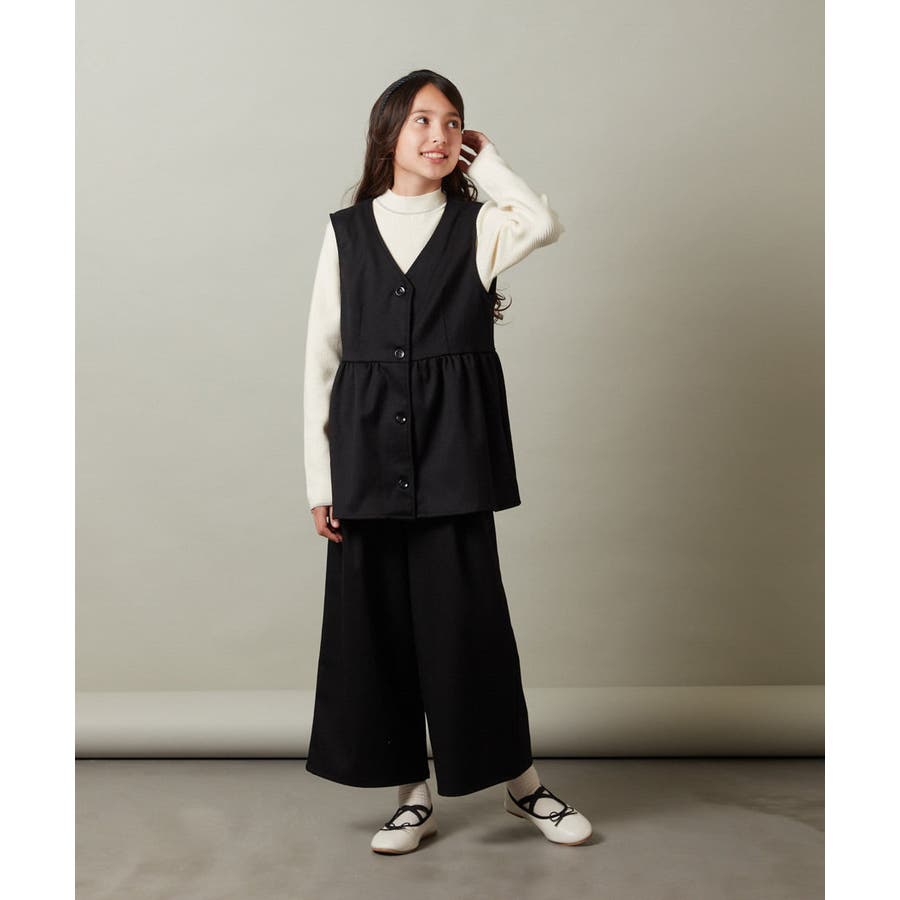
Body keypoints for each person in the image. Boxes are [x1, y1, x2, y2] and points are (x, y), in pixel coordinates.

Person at [303, 69, 592, 855]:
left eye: (453, 122)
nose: (439, 135)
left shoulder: (480, 226)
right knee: (379, 630)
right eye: (423, 120)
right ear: (389, 134)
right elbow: (321, 357)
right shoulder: (346, 232)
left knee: (470, 626)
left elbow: (541, 222)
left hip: (455, 453)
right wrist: (320, 481)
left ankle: (523, 787)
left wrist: (487, 164)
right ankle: (410, 797)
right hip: (365, 456)